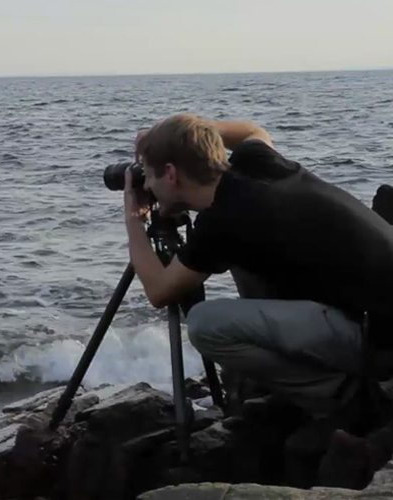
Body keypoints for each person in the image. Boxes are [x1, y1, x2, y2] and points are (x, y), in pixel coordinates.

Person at [122, 114, 393, 486]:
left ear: (171, 175)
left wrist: (133, 217)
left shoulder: (222, 222)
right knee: (252, 264)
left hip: (380, 341)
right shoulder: (257, 163)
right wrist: (179, 135)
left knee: (205, 324)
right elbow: (252, 131)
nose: (147, 186)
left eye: (149, 176)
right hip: (379, 309)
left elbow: (158, 290)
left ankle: (347, 399)